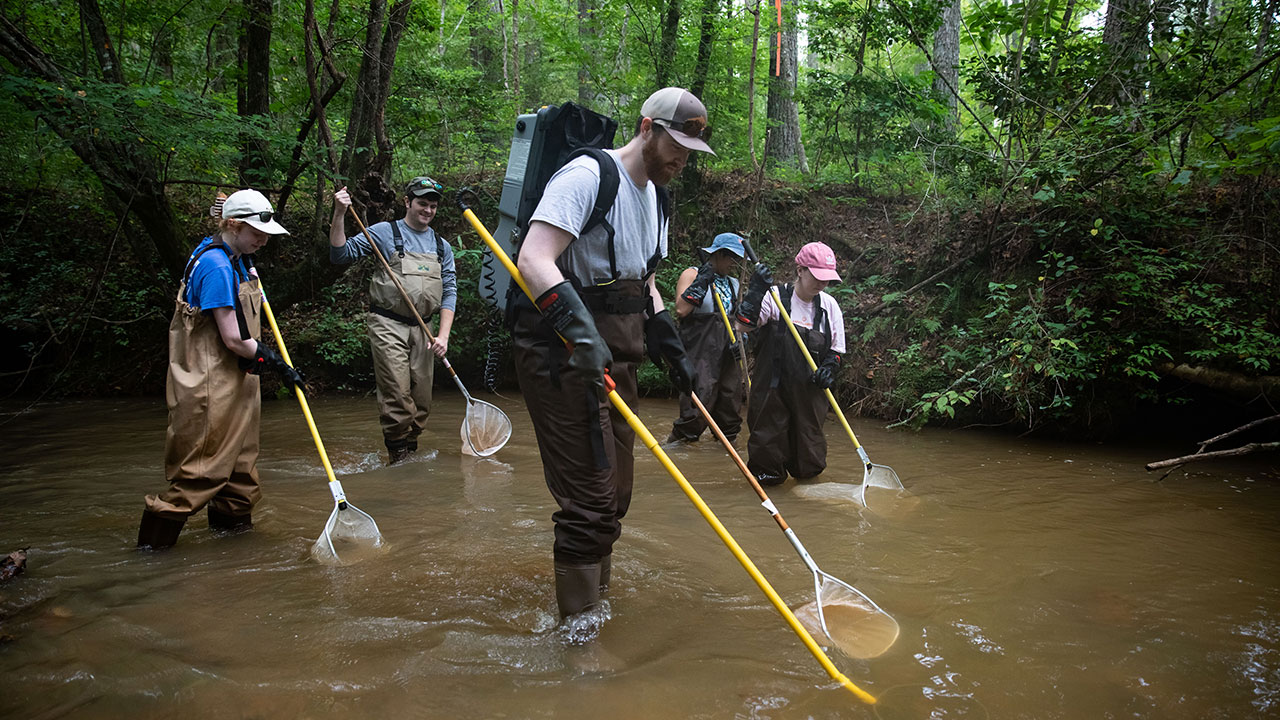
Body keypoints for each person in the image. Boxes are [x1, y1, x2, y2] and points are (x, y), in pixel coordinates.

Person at [513, 87, 709, 623]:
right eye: (678, 144)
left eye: (692, 152)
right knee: (590, 502)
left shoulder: (658, 197)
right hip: (563, 354)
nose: (682, 160)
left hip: (619, 353)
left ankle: (594, 609)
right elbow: (534, 259)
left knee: (615, 496)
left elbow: (643, 280)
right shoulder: (586, 177)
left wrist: (666, 335)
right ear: (648, 127)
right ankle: (578, 642)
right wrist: (579, 332)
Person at [137, 189, 304, 549]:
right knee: (200, 473)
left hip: (238, 383)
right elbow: (231, 338)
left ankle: (233, 556)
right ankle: (148, 562)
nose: (263, 241)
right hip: (210, 386)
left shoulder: (236, 257)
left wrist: (265, 362)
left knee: (240, 476)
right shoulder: (215, 265)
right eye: (257, 234)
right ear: (232, 224)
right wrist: (277, 363)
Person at [330, 178, 457, 465]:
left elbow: (449, 291)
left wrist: (443, 336)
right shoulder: (385, 233)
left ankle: (408, 455)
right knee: (398, 397)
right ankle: (398, 456)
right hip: (388, 324)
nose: (427, 210)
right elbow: (340, 254)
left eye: (433, 206)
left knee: (421, 403)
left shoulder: (442, 246)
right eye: (422, 203)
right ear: (407, 202)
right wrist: (338, 213)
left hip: (425, 329)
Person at [736, 241, 847, 486]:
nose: (822, 284)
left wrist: (829, 368)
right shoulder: (774, 298)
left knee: (809, 460)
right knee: (767, 455)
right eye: (817, 277)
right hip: (771, 392)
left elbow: (836, 351)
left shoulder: (830, 307)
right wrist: (755, 291)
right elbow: (743, 325)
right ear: (800, 270)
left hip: (809, 394)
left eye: (827, 279)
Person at [666, 232, 748, 443]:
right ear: (719, 254)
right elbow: (681, 310)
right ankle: (678, 446)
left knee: (730, 403)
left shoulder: (733, 284)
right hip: (699, 349)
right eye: (732, 258)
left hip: (728, 350)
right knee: (698, 402)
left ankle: (726, 448)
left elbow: (738, 319)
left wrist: (741, 340)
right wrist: (702, 281)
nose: (735, 263)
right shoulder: (692, 274)